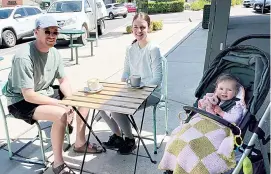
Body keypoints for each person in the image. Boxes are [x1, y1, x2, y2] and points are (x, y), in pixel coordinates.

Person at [3, 16, 102, 174]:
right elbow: (28, 95)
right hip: (20, 101)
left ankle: (80, 143)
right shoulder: (24, 56)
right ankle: (58, 164)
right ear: (36, 32)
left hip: (45, 92)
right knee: (61, 114)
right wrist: (61, 105)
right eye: (47, 31)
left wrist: (70, 101)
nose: (51, 35)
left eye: (55, 32)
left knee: (85, 99)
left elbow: (63, 80)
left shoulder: (54, 52)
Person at [98, 12, 163, 155]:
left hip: (151, 93)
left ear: (149, 28)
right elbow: (126, 73)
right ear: (132, 28)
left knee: (116, 110)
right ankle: (117, 136)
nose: (139, 31)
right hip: (132, 90)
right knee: (101, 105)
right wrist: (121, 87)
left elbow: (157, 79)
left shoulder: (153, 48)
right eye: (135, 27)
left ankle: (130, 140)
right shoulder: (130, 49)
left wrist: (141, 88)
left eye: (142, 27)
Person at [158, 74, 247, 174]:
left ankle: (194, 168)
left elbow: (235, 119)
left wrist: (221, 112)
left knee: (194, 144)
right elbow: (201, 109)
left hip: (220, 128)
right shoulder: (213, 99)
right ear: (216, 88)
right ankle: (175, 165)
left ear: (235, 93)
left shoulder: (236, 105)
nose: (224, 92)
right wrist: (204, 104)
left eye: (229, 90)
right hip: (202, 122)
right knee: (178, 136)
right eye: (221, 88)